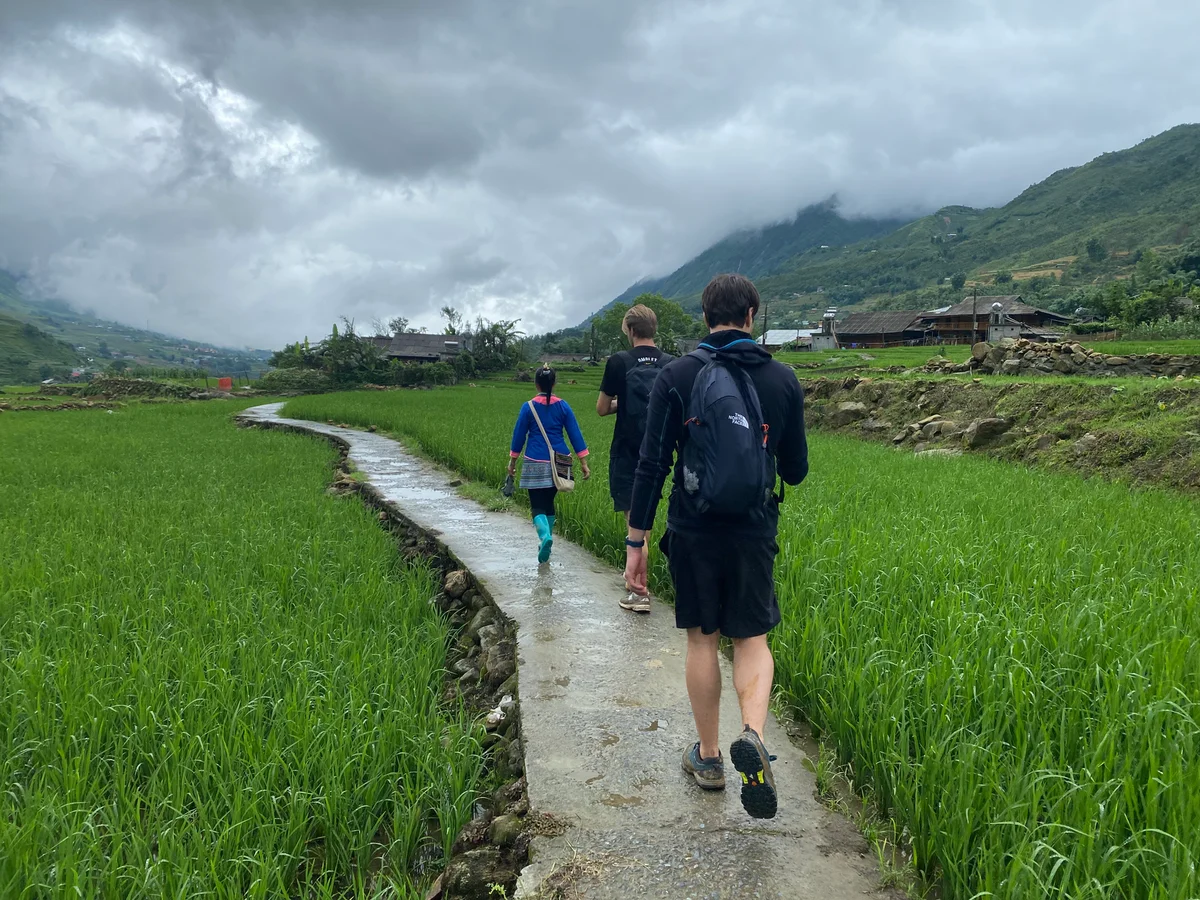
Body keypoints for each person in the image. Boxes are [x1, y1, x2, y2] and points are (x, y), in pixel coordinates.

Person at [623, 273, 808, 819]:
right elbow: (795, 471)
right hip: (753, 530)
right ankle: (752, 735)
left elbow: (652, 465)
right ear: (752, 314)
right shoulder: (782, 378)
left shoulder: (678, 375)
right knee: (751, 639)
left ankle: (707, 759)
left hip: (693, 529)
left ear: (706, 317)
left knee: (702, 641)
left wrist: (637, 540)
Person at [596, 304, 673, 614]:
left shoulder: (619, 362)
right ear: (654, 329)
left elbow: (601, 408)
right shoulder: (671, 363)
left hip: (628, 452)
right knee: (645, 523)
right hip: (661, 451)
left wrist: (621, 403)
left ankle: (639, 591)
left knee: (634, 522)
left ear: (629, 330)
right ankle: (638, 580)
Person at [508, 364, 590, 564]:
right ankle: (547, 544)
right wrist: (583, 463)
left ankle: (545, 537)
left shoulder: (528, 407)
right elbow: (575, 434)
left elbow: (519, 436)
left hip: (535, 460)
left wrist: (512, 462)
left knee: (537, 506)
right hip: (561, 460)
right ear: (554, 384)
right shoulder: (563, 406)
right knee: (549, 503)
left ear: (536, 384)